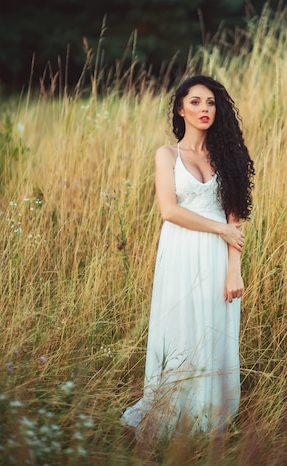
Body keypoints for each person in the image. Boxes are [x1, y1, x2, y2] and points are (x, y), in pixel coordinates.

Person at [121, 74, 255, 437]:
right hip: (180, 252)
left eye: (210, 102)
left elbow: (235, 218)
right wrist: (220, 230)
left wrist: (234, 270)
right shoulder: (167, 155)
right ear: (180, 109)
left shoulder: (228, 155)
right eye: (195, 102)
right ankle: (169, 416)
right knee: (180, 331)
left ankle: (209, 419)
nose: (204, 109)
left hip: (217, 259)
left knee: (214, 332)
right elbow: (169, 211)